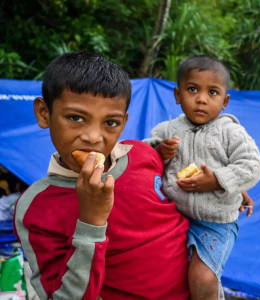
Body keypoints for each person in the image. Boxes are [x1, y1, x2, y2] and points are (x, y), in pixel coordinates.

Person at [14, 51, 191, 300]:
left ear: (124, 122)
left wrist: (221, 189)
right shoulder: (36, 208)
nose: (93, 138)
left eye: (110, 123)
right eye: (75, 118)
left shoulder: (141, 154)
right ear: (44, 113)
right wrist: (91, 222)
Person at [145, 55, 260, 300]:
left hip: (215, 223)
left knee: (202, 278)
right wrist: (158, 151)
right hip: (171, 218)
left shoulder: (230, 132)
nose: (201, 98)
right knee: (163, 275)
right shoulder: (166, 131)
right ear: (178, 95)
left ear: (224, 101)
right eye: (192, 89)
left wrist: (219, 181)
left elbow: (252, 165)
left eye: (212, 92)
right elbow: (142, 158)